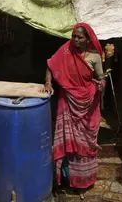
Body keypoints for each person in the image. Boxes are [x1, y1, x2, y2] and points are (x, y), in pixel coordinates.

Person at [43, 23, 105, 199]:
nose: (75, 40)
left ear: (88, 39)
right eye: (74, 36)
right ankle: (64, 179)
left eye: (80, 37)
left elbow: (100, 78)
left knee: (84, 145)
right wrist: (48, 83)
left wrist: (101, 85)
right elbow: (50, 65)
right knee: (67, 142)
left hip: (87, 106)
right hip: (67, 103)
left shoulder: (94, 57)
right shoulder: (65, 51)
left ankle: (83, 182)